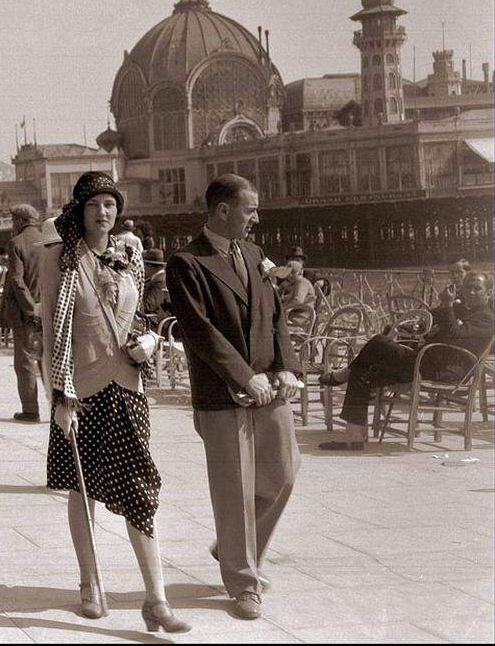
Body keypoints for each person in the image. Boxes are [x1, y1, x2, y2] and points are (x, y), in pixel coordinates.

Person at [39, 172, 188, 632]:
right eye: (93, 205)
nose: (103, 213)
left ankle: (156, 599)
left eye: (110, 204)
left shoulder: (130, 255)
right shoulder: (60, 259)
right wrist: (59, 397)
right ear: (79, 210)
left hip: (127, 386)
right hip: (78, 392)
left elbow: (139, 314)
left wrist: (147, 341)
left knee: (140, 489)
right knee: (82, 492)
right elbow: (52, 331)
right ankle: (91, 584)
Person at [165, 173, 302, 621]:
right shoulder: (186, 262)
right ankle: (244, 581)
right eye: (250, 209)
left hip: (270, 387)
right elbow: (200, 333)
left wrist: (285, 367)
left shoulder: (255, 254)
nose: (256, 218)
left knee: (284, 473)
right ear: (222, 210)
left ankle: (231, 547)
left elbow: (276, 314)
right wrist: (245, 378)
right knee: (235, 489)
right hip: (223, 395)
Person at [318, 271, 493, 450]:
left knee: (378, 342)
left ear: (489, 292)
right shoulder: (459, 309)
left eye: (477, 289)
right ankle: (354, 439)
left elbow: (456, 335)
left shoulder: (487, 318)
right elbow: (429, 319)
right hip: (425, 362)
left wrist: (448, 306)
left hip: (446, 373)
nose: (471, 292)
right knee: (362, 372)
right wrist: (436, 311)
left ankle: (345, 373)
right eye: (468, 287)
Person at [0, 204, 45, 423]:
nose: (11, 225)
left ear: (20, 220)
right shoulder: (48, 241)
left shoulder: (16, 243)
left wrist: (29, 307)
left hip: (27, 313)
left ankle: (30, 409)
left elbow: (17, 279)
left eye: (12, 220)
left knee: (25, 361)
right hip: (49, 307)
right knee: (49, 359)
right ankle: (58, 406)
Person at [141, 248, 170, 329]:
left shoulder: (159, 281)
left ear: (149, 266)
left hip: (156, 324)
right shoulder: (157, 278)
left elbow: (149, 306)